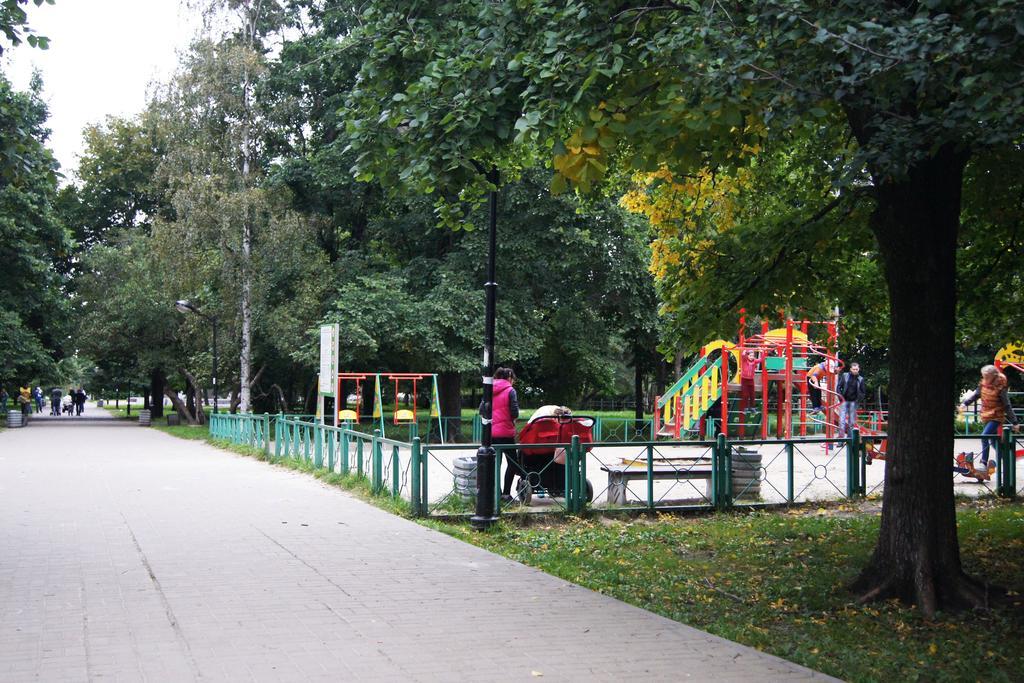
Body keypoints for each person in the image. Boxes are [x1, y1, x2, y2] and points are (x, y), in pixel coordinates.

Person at [960, 365, 1020, 470]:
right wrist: (965, 404)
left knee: (984, 436)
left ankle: (983, 463)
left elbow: (1007, 405)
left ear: (993, 376)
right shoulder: (983, 384)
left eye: (987, 377)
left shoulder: (1001, 386)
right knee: (993, 441)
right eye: (984, 377)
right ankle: (1006, 459)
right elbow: (976, 395)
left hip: (996, 416)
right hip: (986, 415)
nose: (985, 379)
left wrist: (1014, 422)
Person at [483, 367, 521, 503]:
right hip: (506, 433)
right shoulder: (510, 391)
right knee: (512, 463)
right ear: (510, 378)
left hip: (490, 434)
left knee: (494, 464)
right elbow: (514, 412)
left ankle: (496, 494)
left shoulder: (488, 389)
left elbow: (482, 409)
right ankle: (506, 494)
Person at [836, 362, 866, 438]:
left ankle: (849, 439)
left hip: (853, 402)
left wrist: (858, 401)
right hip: (844, 401)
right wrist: (840, 398)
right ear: (850, 369)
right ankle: (841, 440)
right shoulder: (845, 376)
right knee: (842, 421)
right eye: (854, 369)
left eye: (856, 369)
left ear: (859, 369)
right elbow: (839, 387)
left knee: (851, 422)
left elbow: (863, 392)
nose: (855, 371)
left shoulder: (860, 379)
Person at [739, 349, 762, 416]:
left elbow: (761, 359)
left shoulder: (754, 361)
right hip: (744, 380)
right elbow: (743, 355)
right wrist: (745, 351)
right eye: (750, 355)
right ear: (748, 356)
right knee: (745, 395)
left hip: (751, 380)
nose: (752, 357)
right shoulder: (744, 360)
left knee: (752, 395)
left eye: (753, 355)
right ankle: (745, 408)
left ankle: (752, 408)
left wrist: (762, 352)